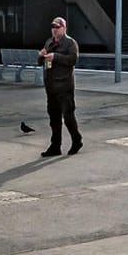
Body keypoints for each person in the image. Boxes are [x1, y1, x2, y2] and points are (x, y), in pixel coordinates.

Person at [37, 17, 81, 157]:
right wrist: (41, 56)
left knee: (68, 117)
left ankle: (76, 140)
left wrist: (56, 57)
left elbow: (73, 60)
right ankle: (55, 146)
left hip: (64, 86)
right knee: (54, 118)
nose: (54, 30)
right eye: (53, 27)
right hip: (51, 87)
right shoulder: (49, 42)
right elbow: (40, 62)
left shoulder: (70, 43)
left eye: (57, 27)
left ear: (64, 28)